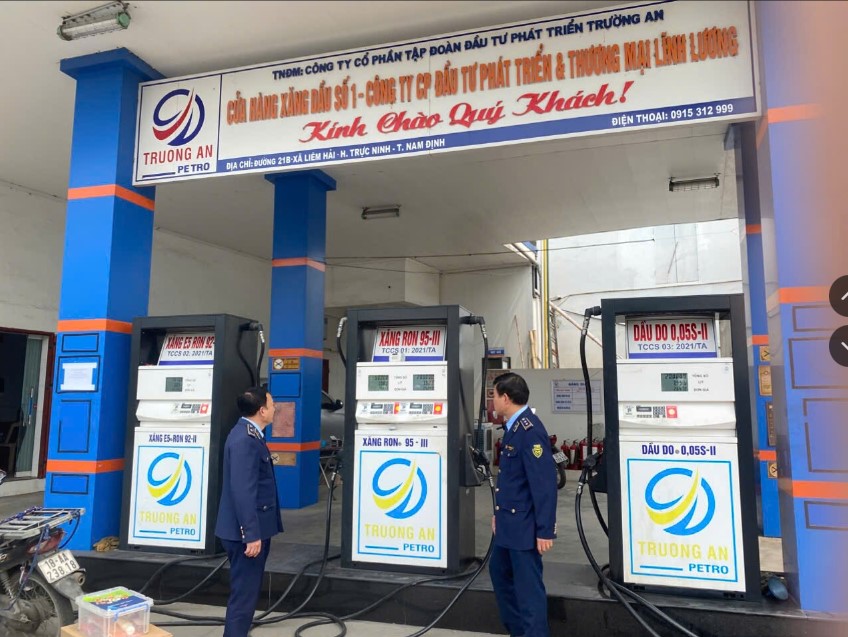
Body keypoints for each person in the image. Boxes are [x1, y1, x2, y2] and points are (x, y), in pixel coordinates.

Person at [489, 372, 557, 637]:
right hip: (508, 524)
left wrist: (545, 529)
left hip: (524, 528)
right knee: (500, 574)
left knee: (528, 591)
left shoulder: (530, 430)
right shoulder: (513, 428)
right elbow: (511, 481)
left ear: (506, 398)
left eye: (494, 395)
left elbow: (544, 484)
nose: (492, 401)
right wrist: (499, 515)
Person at [215, 387, 284, 637]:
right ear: (262, 411)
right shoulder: (245, 440)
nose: (275, 408)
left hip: (245, 530)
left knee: (245, 593)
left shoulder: (248, 434)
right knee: (243, 597)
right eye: (272, 404)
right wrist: (251, 534)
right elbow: (243, 491)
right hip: (244, 535)